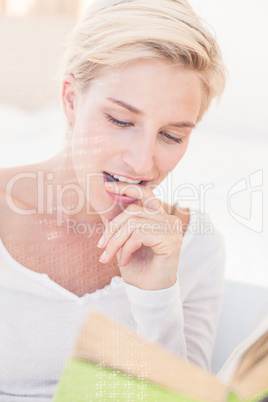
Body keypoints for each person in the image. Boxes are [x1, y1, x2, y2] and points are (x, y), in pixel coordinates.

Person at [0, 0, 226, 400]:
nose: (142, 162)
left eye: (172, 135)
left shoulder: (195, 246)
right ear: (71, 99)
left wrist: (156, 294)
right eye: (121, 121)